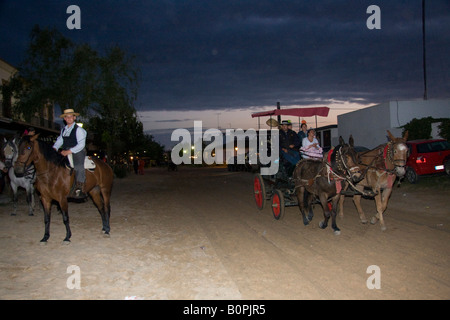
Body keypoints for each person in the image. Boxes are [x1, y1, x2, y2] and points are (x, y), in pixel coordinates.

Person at [53, 108, 88, 199]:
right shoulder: (64, 130)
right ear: (64, 119)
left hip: (78, 151)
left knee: (78, 166)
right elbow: (60, 140)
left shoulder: (79, 130)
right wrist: (55, 148)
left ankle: (80, 188)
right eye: (67, 117)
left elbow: (81, 144)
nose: (69, 118)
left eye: (70, 116)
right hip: (65, 151)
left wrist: (69, 151)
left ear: (74, 117)